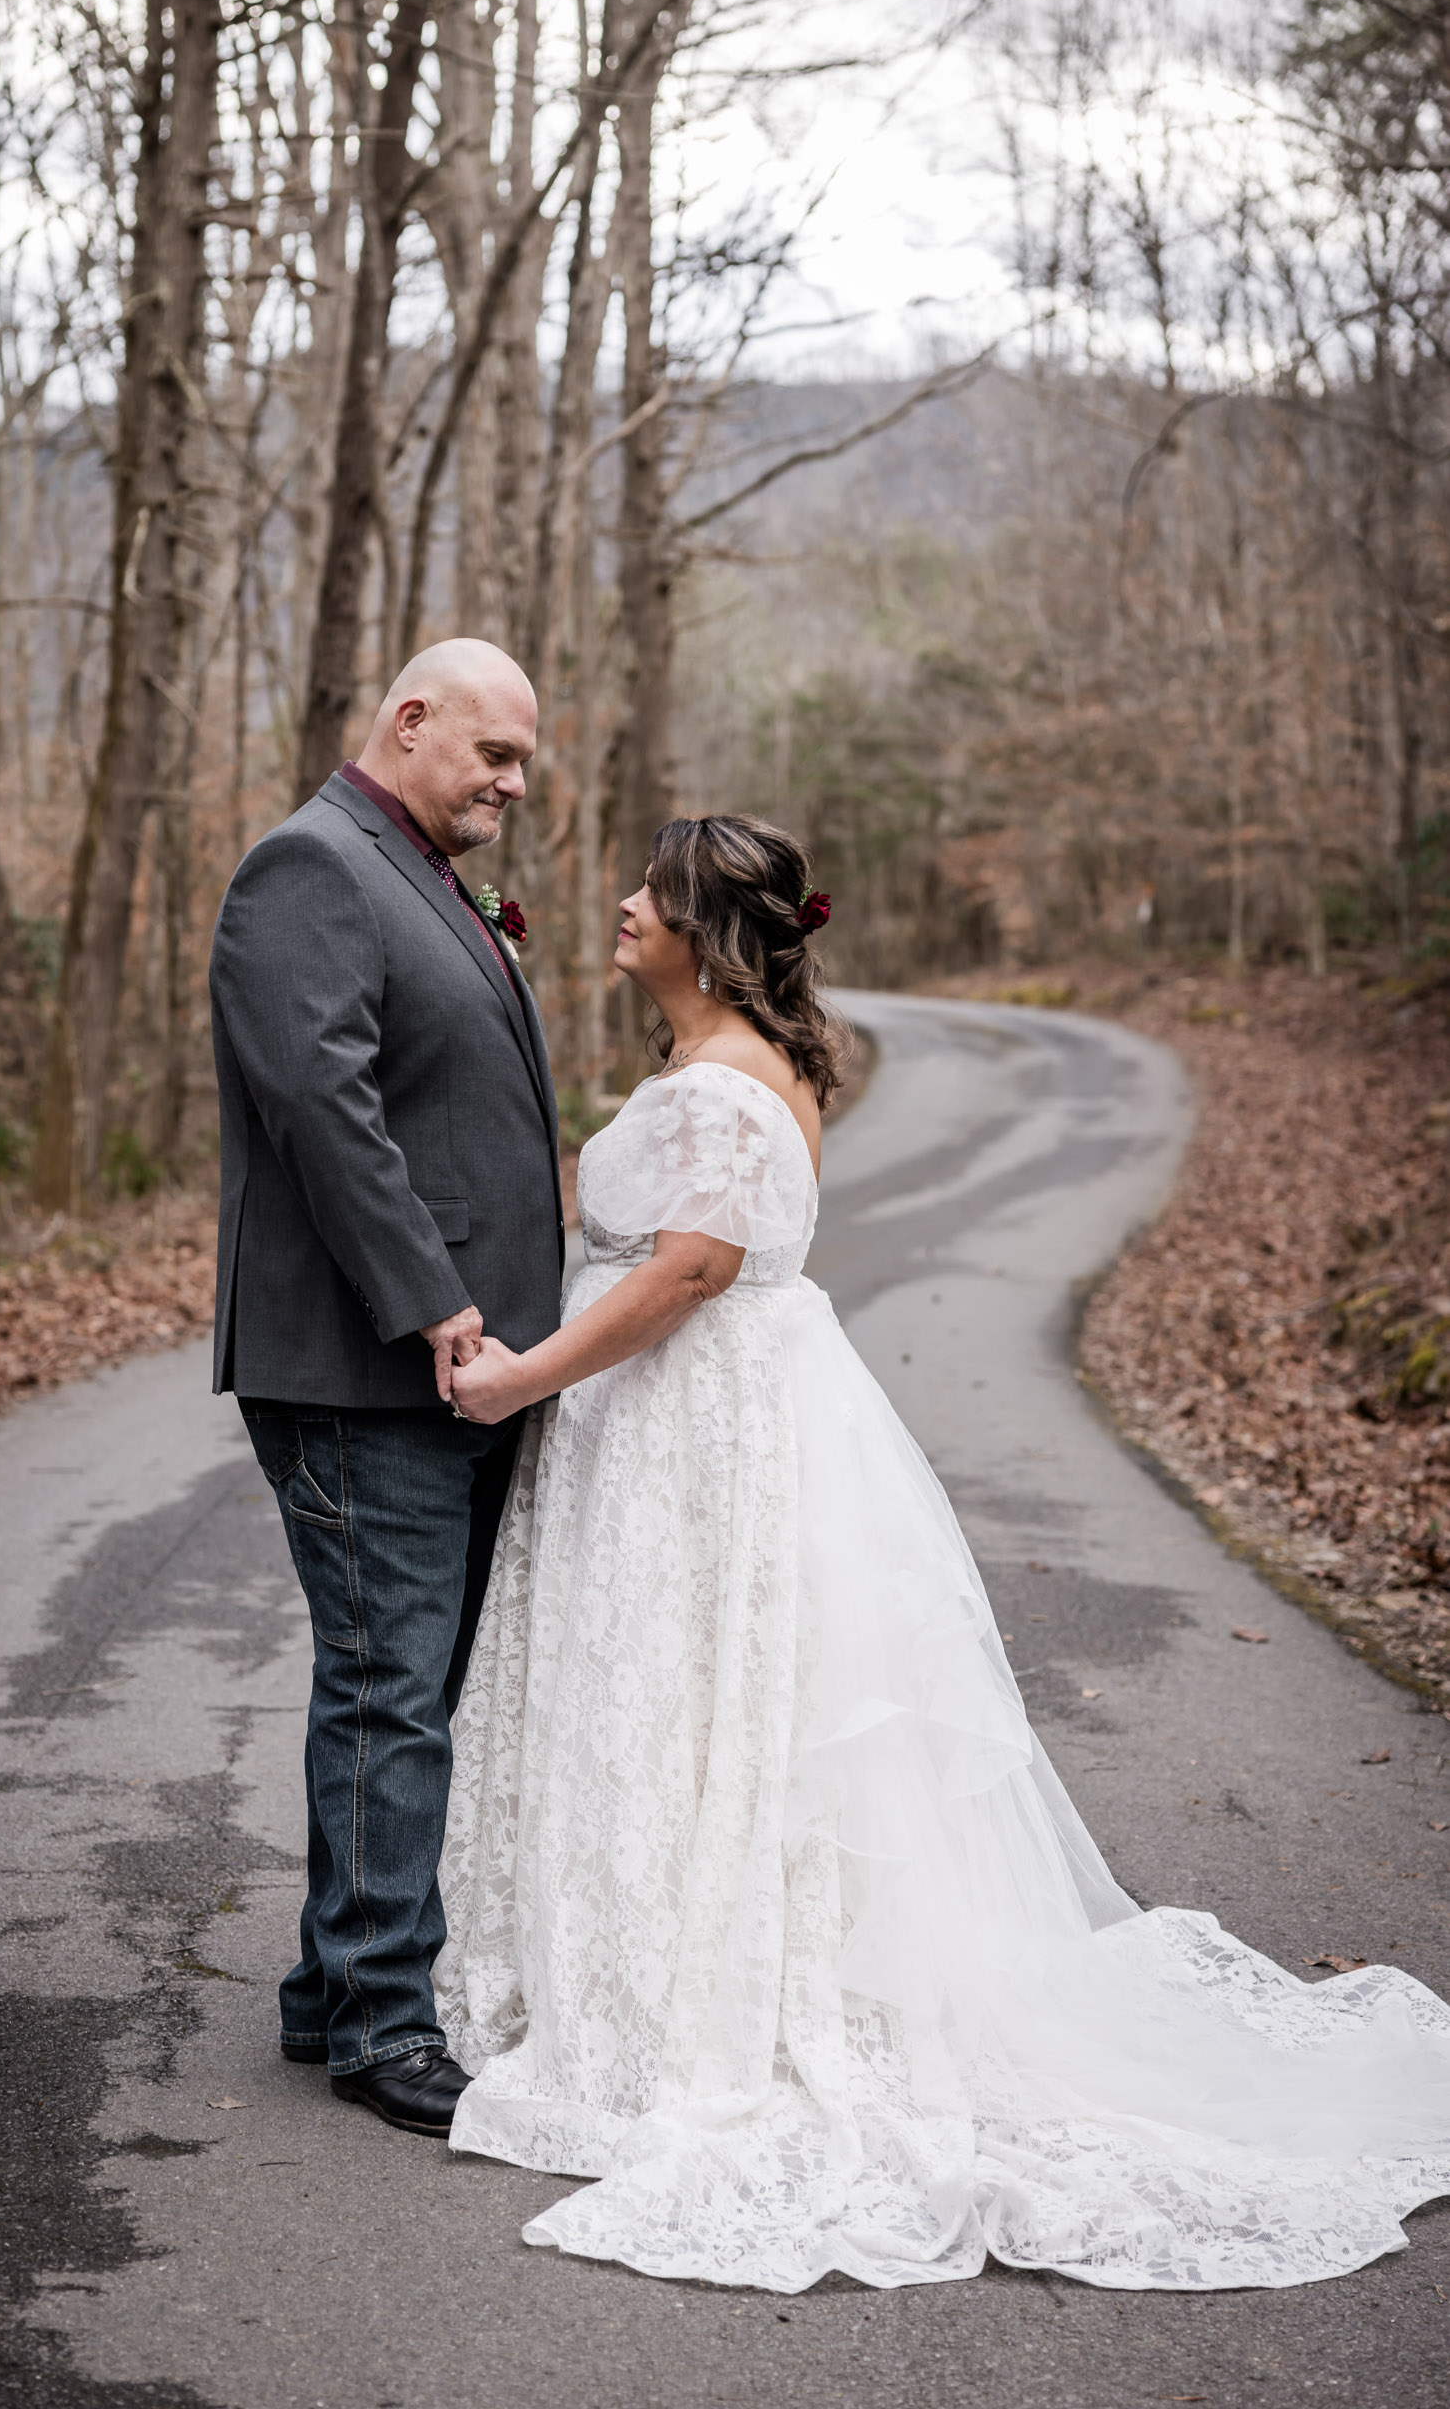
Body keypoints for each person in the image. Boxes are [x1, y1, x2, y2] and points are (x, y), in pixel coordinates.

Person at [435, 811, 1450, 2294]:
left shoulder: (723, 1081)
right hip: (707, 1420)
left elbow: (690, 1273)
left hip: (699, 1421)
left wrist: (526, 1378)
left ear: (710, 932)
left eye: (651, 891)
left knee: (706, 1701)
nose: (622, 904)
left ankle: (698, 2002)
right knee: (708, 1707)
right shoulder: (730, 1060)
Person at [209, 638, 563, 2138]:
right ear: (407, 721)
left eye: (526, 762)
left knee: (403, 1681)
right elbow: (325, 1114)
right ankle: (375, 2022)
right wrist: (436, 1307)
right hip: (369, 1369)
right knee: (389, 1686)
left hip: (456, 1375)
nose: (512, 783)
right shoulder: (311, 869)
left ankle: (324, 1986)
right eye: (493, 752)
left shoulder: (411, 869)